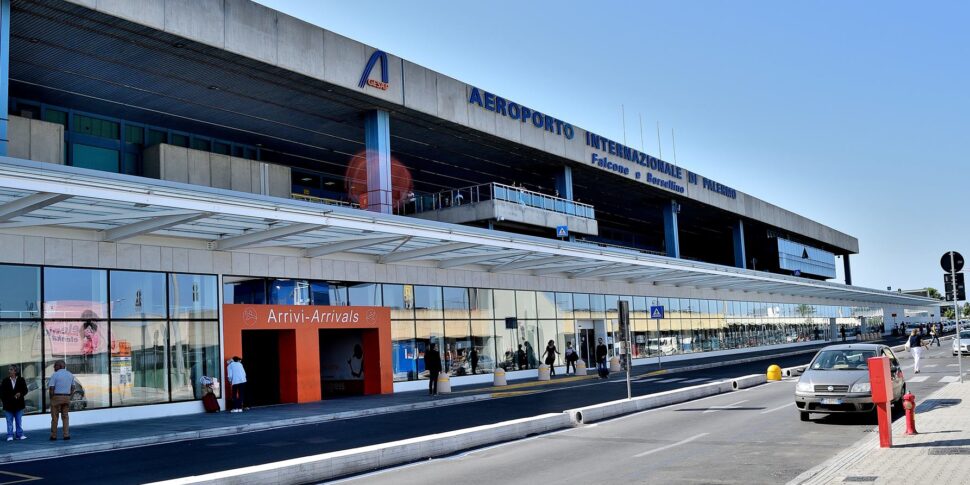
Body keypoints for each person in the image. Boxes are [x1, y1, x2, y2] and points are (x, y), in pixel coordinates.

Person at [48, 360, 74, 441]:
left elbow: (51, 388)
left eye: (55, 365)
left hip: (56, 397)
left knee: (55, 418)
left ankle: (54, 436)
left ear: (60, 366)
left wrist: (51, 398)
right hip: (66, 397)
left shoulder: (55, 375)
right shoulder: (70, 375)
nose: (54, 367)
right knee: (65, 416)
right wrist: (70, 395)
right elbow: (73, 387)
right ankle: (66, 435)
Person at [1, 365, 28, 441]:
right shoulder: (5, 380)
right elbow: (2, 393)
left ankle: (19, 435)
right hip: (8, 404)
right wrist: (5, 401)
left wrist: (20, 393)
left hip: (19, 404)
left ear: (15, 371)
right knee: (9, 421)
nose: (9, 371)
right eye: (9, 369)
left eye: (11, 369)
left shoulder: (21, 379)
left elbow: (25, 390)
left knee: (19, 421)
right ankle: (10, 435)